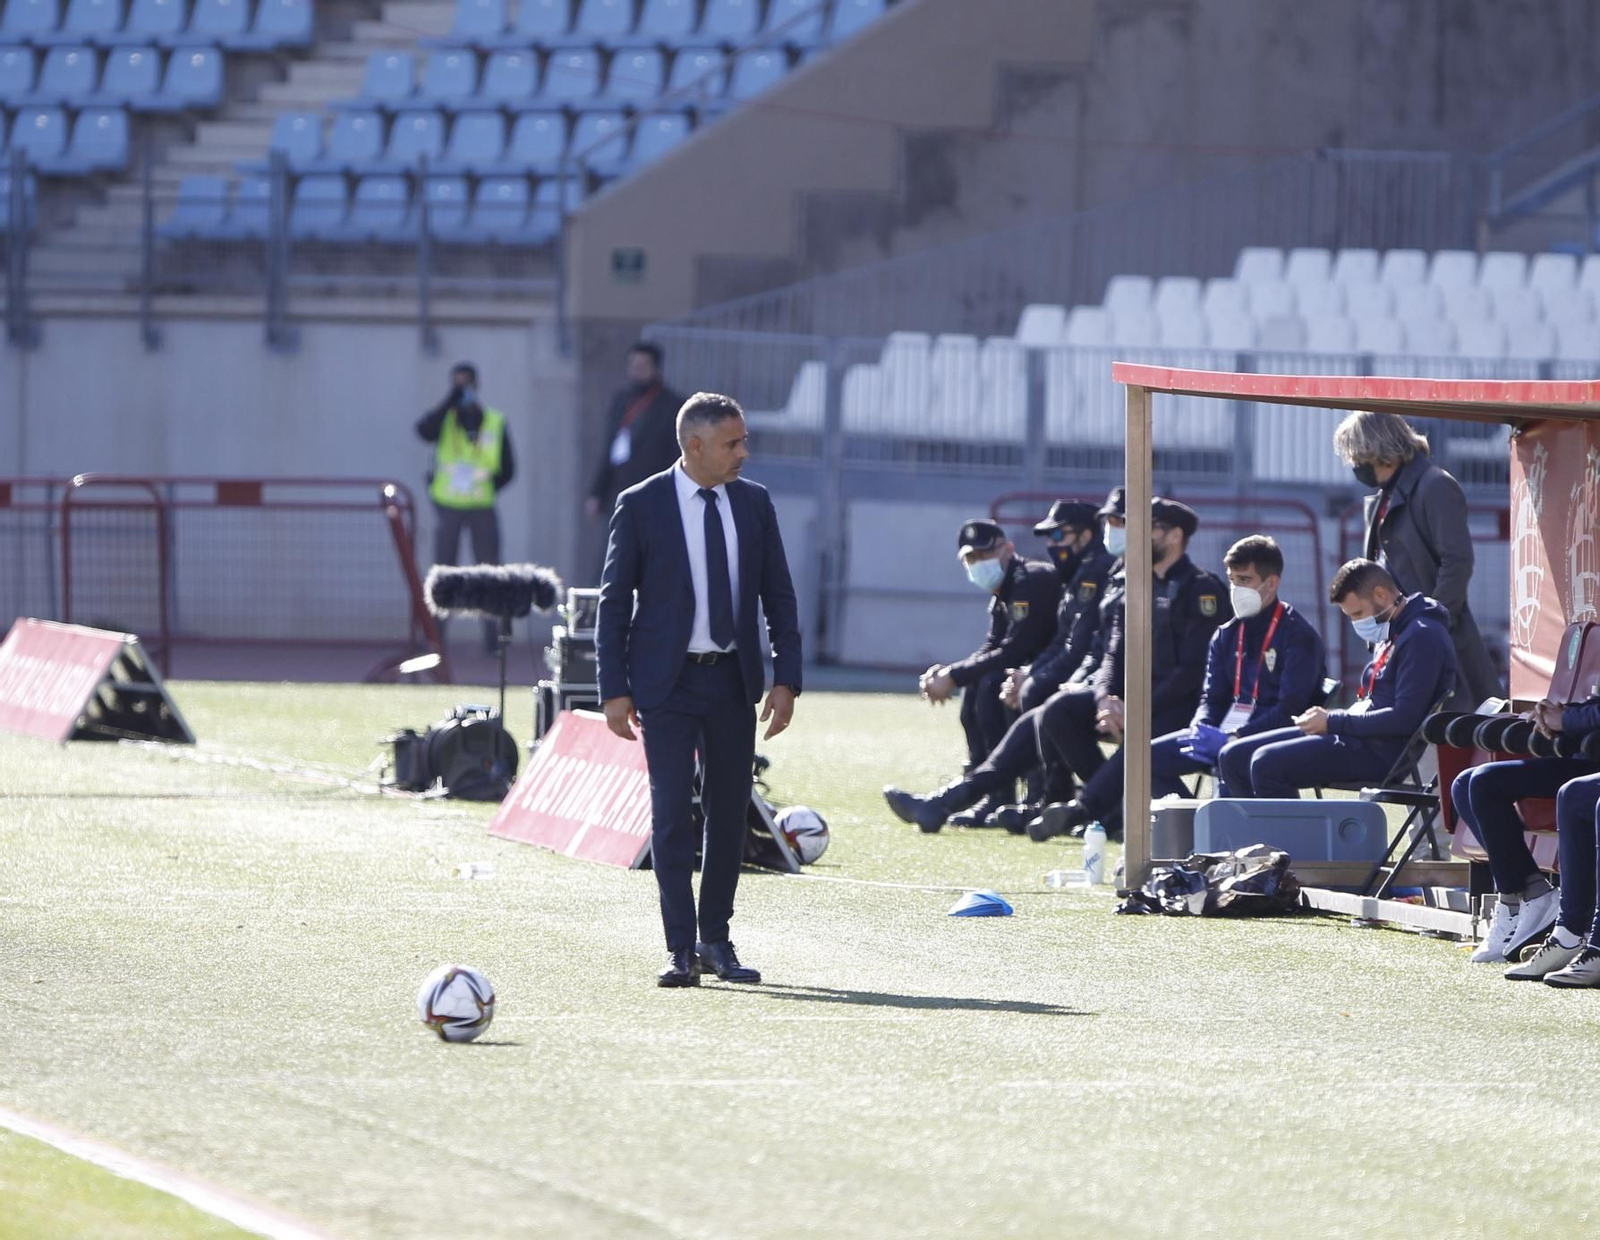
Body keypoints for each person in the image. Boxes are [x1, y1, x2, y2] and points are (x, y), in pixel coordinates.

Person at [595, 392, 802, 989]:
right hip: (667, 682)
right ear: (695, 446)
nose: (744, 452)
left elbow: (778, 596)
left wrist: (786, 678)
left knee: (729, 811)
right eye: (733, 443)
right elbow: (613, 605)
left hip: (733, 680)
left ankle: (717, 940)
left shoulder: (755, 503)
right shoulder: (641, 504)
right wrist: (614, 689)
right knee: (670, 817)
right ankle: (679, 949)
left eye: (743, 441)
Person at [881, 491, 1120, 834]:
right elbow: (1068, 643)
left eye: (1058, 534)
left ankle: (1055, 799)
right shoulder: (1080, 574)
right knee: (1001, 687)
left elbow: (1070, 647)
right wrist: (961, 673)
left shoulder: (1074, 574)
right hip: (1083, 682)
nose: (1053, 545)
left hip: (1108, 691)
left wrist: (1034, 676)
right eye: (970, 559)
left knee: (1027, 693)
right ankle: (975, 798)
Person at [1029, 498, 1231, 841]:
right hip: (1135, 702)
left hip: (1183, 707)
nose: (1135, 537)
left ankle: (1085, 807)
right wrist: (1107, 698)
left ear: (1174, 536)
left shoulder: (1202, 590)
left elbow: (1190, 672)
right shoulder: (1135, 587)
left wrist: (1133, 708)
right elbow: (1112, 654)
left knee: (1141, 738)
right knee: (1057, 711)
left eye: (1147, 529)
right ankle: (1114, 808)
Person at [1217, 558, 1456, 799]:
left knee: (1265, 763)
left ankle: (1287, 838)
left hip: (1380, 751)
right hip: (1357, 734)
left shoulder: (1422, 636)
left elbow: (1405, 718)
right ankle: (1253, 834)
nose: (1357, 623)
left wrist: (1333, 721)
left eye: (1358, 613)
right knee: (1233, 756)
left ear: (1381, 595)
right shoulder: (1396, 627)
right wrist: (1331, 721)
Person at [1334, 410, 1499, 709]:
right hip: (1395, 647)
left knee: (1443, 743)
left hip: (1436, 649)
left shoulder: (1435, 486)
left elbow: (1457, 562)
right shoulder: (1384, 496)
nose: (1356, 466)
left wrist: (1430, 626)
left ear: (1379, 450)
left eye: (1359, 456)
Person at [916, 517, 1061, 823]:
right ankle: (995, 795)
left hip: (1052, 675)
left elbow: (1015, 650)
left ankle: (1035, 792)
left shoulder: (1028, 580)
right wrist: (949, 673)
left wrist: (954, 675)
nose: (978, 563)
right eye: (971, 558)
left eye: (984, 554)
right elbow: (991, 646)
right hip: (1027, 675)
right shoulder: (1002, 591)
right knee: (978, 686)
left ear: (1008, 549)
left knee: (992, 683)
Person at [1448, 699, 1600, 977]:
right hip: (1583, 754)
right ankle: (1527, 895)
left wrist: (1565, 721)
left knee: (1486, 782)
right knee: (1464, 783)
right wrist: (1559, 714)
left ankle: (1532, 909)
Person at [415, 361, 516, 651]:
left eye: (466, 384)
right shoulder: (444, 419)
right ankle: (436, 637)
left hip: (482, 506)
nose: (462, 391)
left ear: (477, 385)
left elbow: (508, 468)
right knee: (444, 571)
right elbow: (423, 430)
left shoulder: (495, 421)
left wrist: (488, 486)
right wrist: (450, 399)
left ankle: (493, 637)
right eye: (457, 384)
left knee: (488, 570)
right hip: (448, 506)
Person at [585, 341, 684, 527]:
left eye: (642, 366)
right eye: (633, 366)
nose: (636, 371)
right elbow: (610, 449)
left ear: (655, 369)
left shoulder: (672, 406)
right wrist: (597, 492)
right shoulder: (622, 400)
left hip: (654, 494)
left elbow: (676, 454)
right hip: (620, 491)